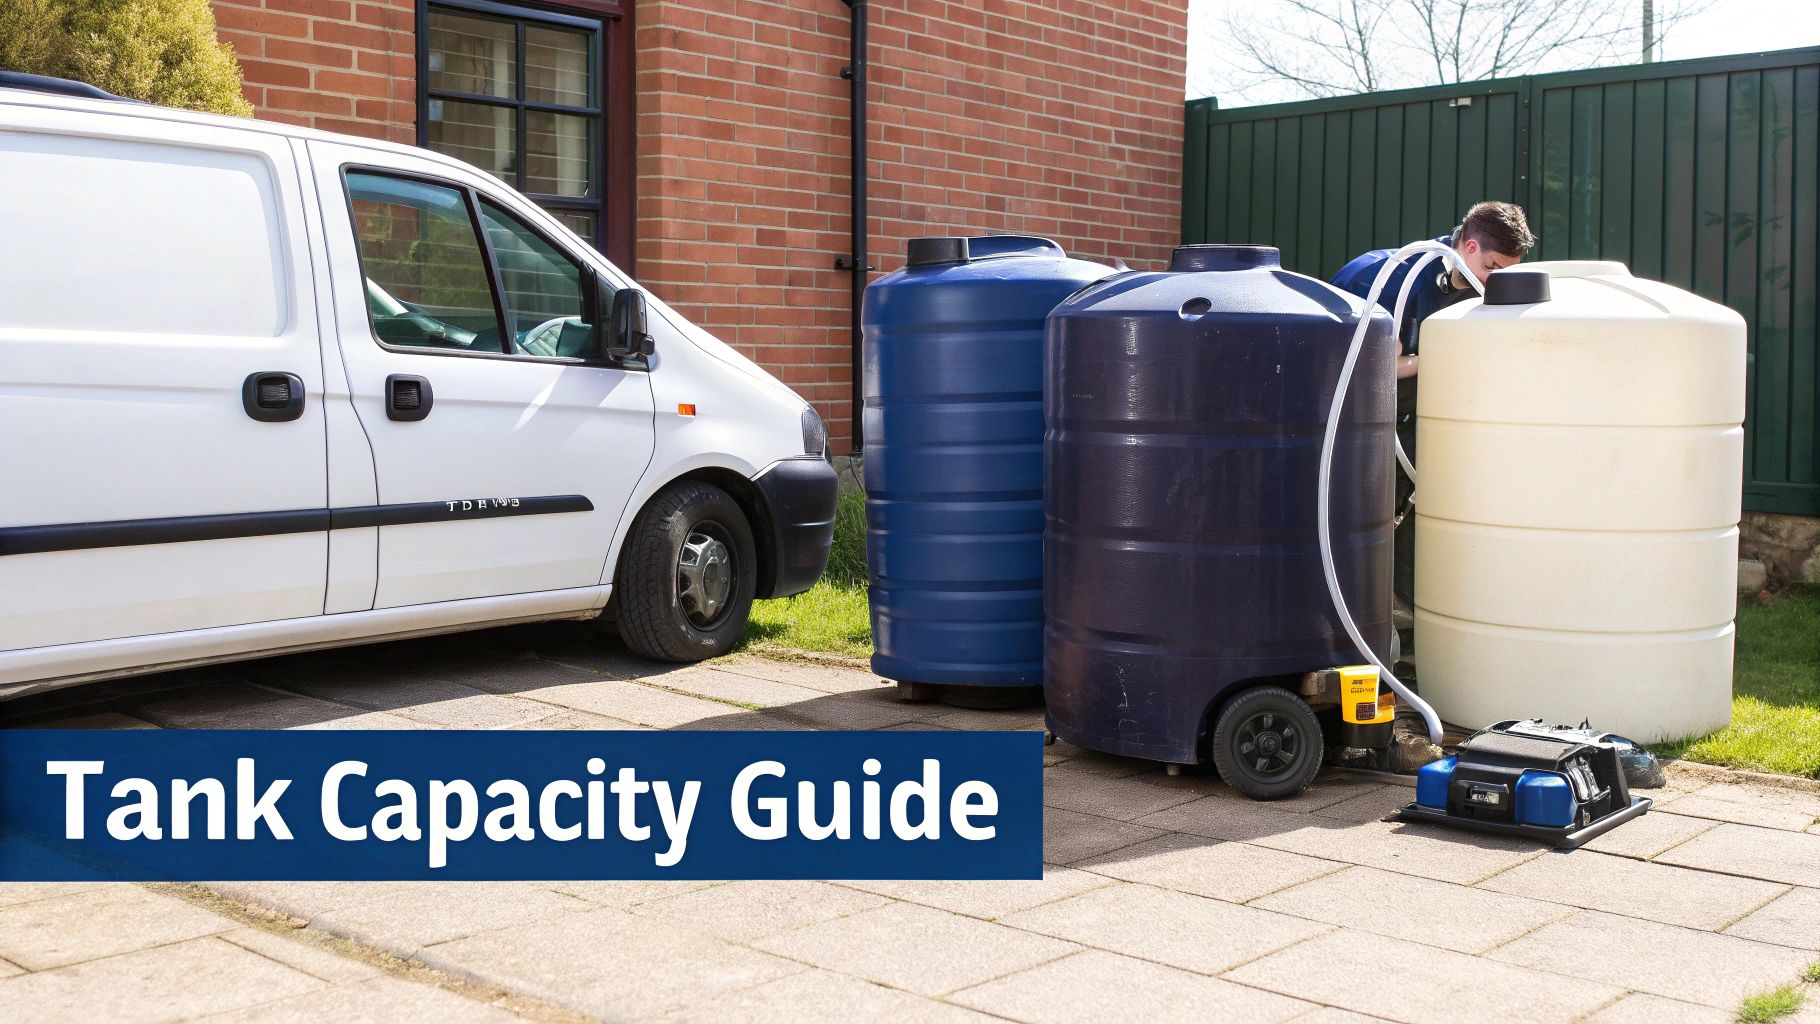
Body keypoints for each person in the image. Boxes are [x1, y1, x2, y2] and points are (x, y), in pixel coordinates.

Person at [1329, 202, 1537, 654]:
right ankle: (1363, 623)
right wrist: (1434, 357)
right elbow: (1373, 367)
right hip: (1355, 412)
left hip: (1417, 409)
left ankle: (1411, 623)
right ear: (1469, 246)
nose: (1494, 282)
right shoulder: (1389, 278)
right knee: (1369, 510)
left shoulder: (1477, 286)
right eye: (1492, 268)